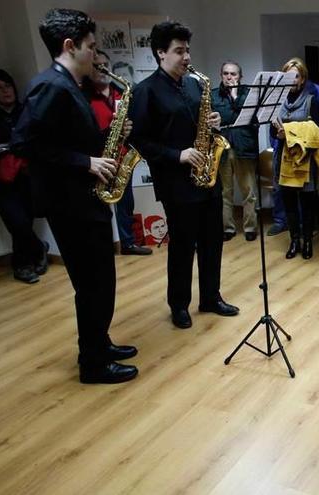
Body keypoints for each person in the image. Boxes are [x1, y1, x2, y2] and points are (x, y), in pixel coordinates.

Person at [11, 8, 138, 384]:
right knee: (93, 284)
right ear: (70, 46)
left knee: (101, 280)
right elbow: (24, 143)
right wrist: (86, 162)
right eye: (91, 46)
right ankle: (93, 364)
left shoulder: (68, 85)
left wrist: (107, 140)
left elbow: (64, 140)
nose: (96, 54)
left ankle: (99, 343)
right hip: (71, 204)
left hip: (83, 198)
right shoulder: (51, 85)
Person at [129, 21, 239, 329]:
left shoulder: (194, 84)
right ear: (160, 53)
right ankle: (179, 304)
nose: (186, 57)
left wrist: (214, 121)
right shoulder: (145, 91)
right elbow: (139, 139)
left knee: (212, 240)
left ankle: (210, 297)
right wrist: (177, 155)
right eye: (179, 51)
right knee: (182, 245)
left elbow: (200, 123)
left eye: (187, 50)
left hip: (206, 176)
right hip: (176, 182)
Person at [0, 68, 49, 284]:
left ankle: (28, 259)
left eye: (8, 86)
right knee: (17, 222)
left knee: (24, 222)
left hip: (26, 178)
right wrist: (17, 144)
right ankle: (30, 257)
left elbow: (36, 142)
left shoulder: (27, 110)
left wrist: (15, 145)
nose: (6, 91)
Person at [86, 50, 151, 256]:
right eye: (98, 65)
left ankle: (127, 243)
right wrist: (109, 131)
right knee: (99, 208)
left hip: (122, 155)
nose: (103, 69)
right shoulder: (84, 97)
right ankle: (102, 249)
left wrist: (130, 128)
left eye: (106, 64)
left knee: (126, 202)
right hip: (98, 158)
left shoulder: (121, 93)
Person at [271, 57, 319, 260]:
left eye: (296, 75)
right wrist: (277, 132)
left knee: (307, 203)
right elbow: (271, 127)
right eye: (288, 75)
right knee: (289, 203)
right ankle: (294, 241)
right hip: (284, 158)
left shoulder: (311, 99)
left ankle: (307, 242)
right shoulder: (277, 100)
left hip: (305, 160)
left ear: (302, 78)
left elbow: (315, 130)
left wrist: (287, 130)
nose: (292, 80)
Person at [212, 60, 259, 242]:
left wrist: (234, 94)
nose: (229, 77)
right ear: (221, 75)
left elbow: (252, 120)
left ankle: (250, 227)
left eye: (233, 74)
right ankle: (228, 228)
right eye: (226, 74)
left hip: (244, 148)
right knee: (225, 192)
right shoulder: (213, 96)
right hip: (222, 150)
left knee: (248, 192)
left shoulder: (250, 95)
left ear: (240, 77)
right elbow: (216, 121)